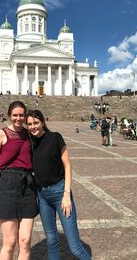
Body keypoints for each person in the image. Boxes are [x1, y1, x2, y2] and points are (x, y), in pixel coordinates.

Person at [26, 110, 91, 260]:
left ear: (42, 122)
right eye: (29, 124)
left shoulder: (55, 138)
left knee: (75, 247)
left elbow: (67, 166)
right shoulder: (31, 143)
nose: (33, 126)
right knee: (51, 240)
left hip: (60, 192)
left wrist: (66, 195)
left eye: (36, 123)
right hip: (42, 197)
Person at [0, 101, 38, 260]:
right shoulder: (1, 134)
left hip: (27, 186)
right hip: (7, 185)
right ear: (9, 116)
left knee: (25, 240)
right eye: (15, 115)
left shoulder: (29, 133)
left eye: (22, 115)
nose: (18, 118)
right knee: (10, 242)